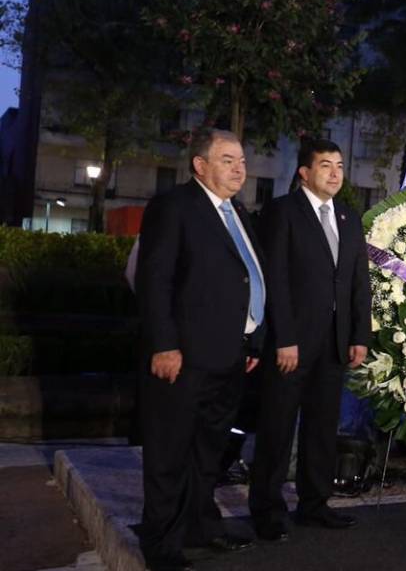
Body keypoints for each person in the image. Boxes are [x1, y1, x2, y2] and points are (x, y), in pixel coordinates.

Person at [135, 128, 264, 571]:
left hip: (230, 356)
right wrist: (164, 345)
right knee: (169, 452)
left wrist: (253, 339)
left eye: (242, 161)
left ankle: (196, 526)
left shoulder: (238, 212)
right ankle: (161, 542)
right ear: (200, 165)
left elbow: (249, 278)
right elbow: (155, 281)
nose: (239, 169)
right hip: (184, 358)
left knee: (207, 453)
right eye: (227, 159)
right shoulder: (174, 207)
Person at [248, 140, 371, 539]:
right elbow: (274, 280)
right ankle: (266, 509)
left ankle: (314, 504)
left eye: (339, 166)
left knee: (322, 428)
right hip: (291, 344)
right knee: (277, 428)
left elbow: (357, 283)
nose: (335, 173)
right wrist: (283, 337)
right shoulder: (282, 212)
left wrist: (359, 335)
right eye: (325, 166)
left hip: (335, 344)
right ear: (304, 172)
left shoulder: (350, 218)